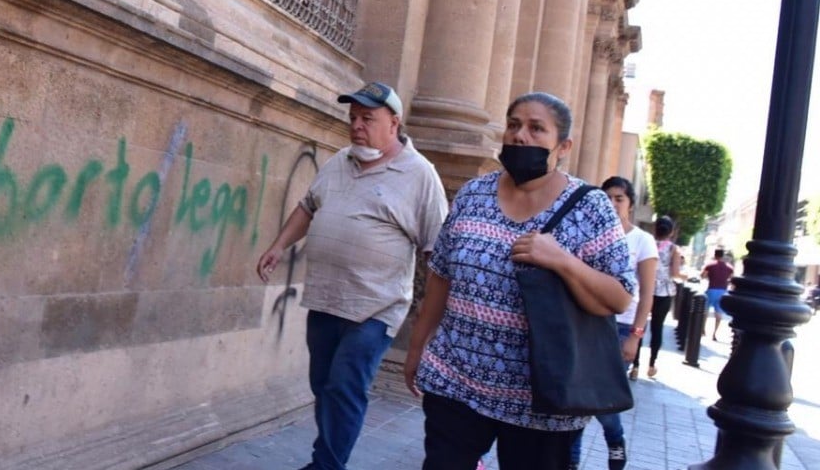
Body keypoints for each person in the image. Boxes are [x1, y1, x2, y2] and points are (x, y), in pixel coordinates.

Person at [403, 92, 634, 470]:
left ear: (563, 146)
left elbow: (619, 298)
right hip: (455, 381)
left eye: (536, 128)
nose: (520, 136)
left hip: (541, 400)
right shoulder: (473, 194)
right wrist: (417, 348)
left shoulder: (591, 207)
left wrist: (561, 260)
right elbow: (441, 275)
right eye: (513, 125)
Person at [256, 81, 448, 470]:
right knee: (322, 384)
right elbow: (308, 207)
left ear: (393, 123)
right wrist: (279, 246)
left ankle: (326, 464)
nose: (357, 126)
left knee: (345, 386)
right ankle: (327, 454)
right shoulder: (339, 161)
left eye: (367, 119)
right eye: (353, 118)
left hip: (376, 308)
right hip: (326, 298)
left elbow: (436, 250)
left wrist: (430, 320)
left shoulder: (420, 174)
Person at [567, 176, 656, 470]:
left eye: (619, 198)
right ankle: (571, 461)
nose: (613, 203)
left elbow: (646, 294)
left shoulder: (642, 240)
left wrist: (636, 335)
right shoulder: (589, 234)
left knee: (602, 399)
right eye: (607, 197)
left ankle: (615, 439)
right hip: (588, 323)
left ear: (630, 204)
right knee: (578, 400)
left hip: (621, 328)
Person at [642, 216, 682, 378]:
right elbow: (675, 273)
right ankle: (651, 365)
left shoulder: (647, 243)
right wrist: (684, 277)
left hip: (645, 288)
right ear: (671, 232)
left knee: (639, 327)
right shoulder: (674, 249)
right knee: (657, 328)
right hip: (664, 292)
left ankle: (635, 365)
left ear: (655, 229)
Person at [700, 248, 735, 340]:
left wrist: (708, 276)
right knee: (719, 313)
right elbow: (732, 280)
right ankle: (714, 334)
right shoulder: (729, 268)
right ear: (723, 256)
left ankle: (703, 329)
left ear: (715, 255)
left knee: (705, 311)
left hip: (711, 289)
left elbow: (702, 275)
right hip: (723, 291)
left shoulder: (710, 265)